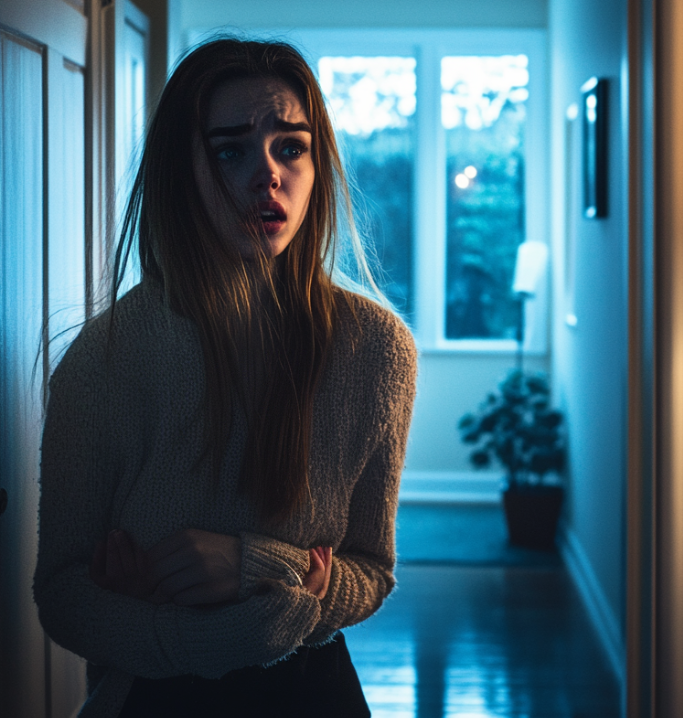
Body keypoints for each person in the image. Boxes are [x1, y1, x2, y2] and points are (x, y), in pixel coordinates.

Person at [33, 38, 417, 718]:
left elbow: (371, 568)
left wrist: (255, 565)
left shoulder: (375, 349)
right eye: (231, 150)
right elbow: (63, 593)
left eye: (290, 147)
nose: (267, 176)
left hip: (315, 693)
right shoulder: (105, 358)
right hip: (153, 699)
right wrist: (198, 635)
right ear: (184, 170)